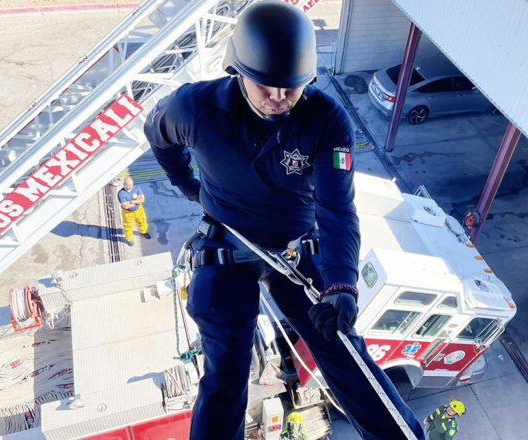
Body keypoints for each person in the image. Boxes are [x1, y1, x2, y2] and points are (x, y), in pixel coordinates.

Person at [143, 1, 424, 439]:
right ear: (238, 70)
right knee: (228, 369)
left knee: (341, 346)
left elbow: (336, 208)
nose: (279, 98)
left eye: (291, 87)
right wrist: (191, 188)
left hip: (294, 246)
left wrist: (341, 285)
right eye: (267, 85)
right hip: (225, 245)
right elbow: (158, 138)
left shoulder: (325, 122)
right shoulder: (195, 109)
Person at [117, 176, 151, 246]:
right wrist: (137, 201)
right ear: (124, 184)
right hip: (127, 213)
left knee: (142, 221)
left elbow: (142, 200)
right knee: (128, 226)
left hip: (139, 210)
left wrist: (131, 202)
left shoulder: (137, 188)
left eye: (131, 185)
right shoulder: (121, 193)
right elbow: (125, 206)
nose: (129, 187)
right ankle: (129, 239)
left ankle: (144, 232)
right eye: (127, 185)